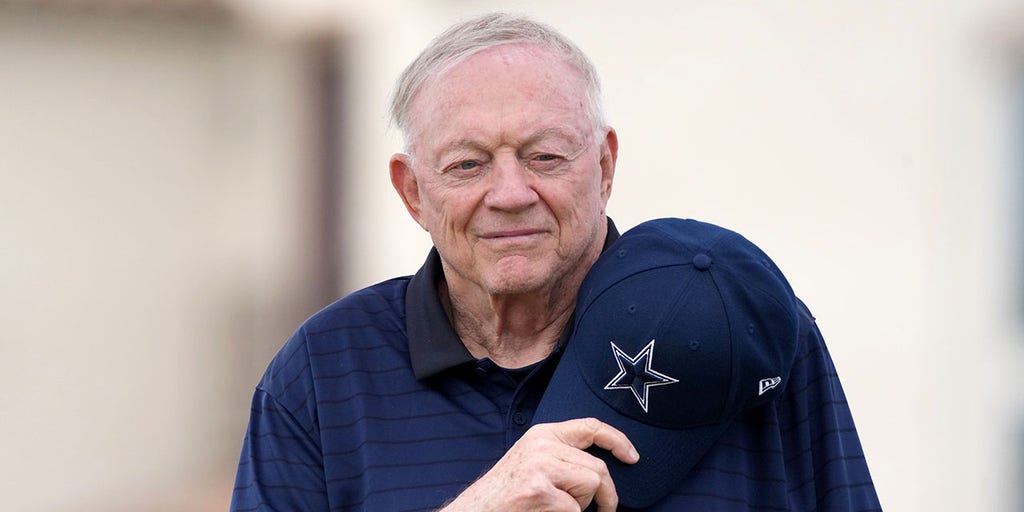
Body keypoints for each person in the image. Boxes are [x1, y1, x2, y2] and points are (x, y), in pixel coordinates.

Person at [230, 12, 881, 512]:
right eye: (467, 164)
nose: (511, 194)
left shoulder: (740, 330)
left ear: (604, 166)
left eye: (545, 156)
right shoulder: (322, 372)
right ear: (413, 192)